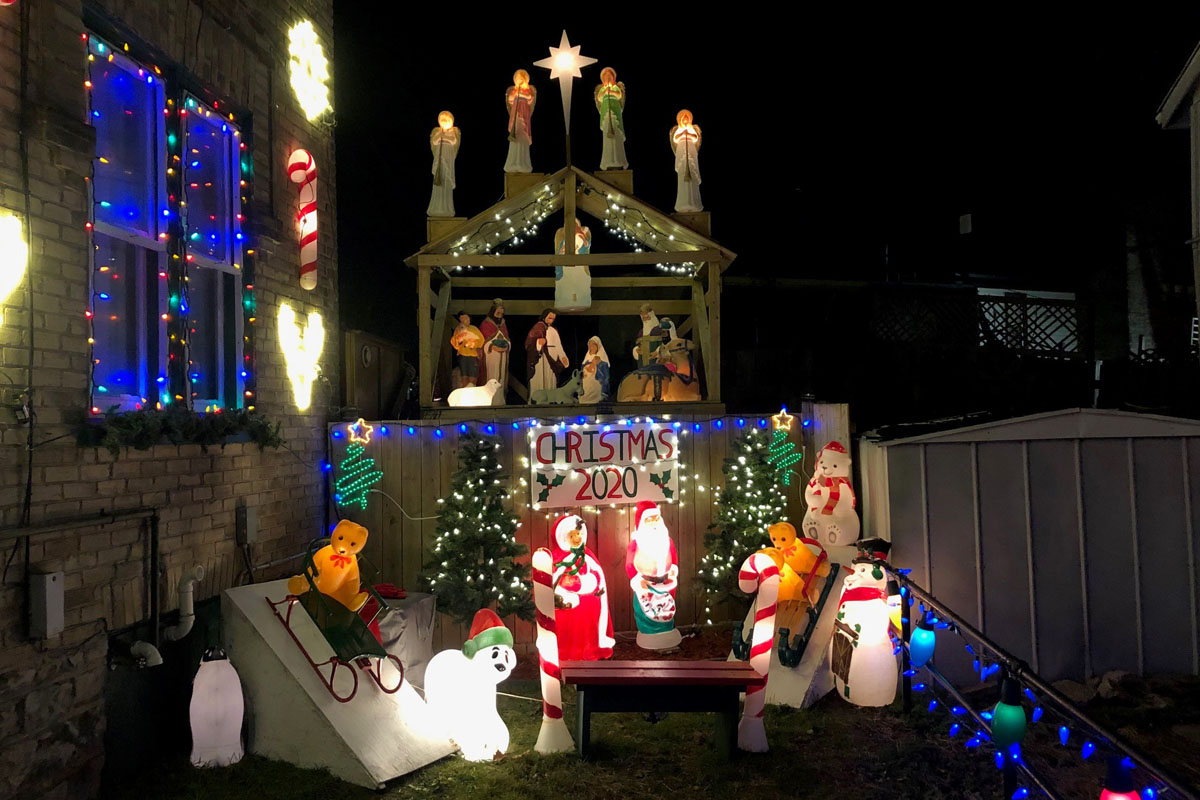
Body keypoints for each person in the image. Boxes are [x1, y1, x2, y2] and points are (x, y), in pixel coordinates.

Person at [550, 514, 614, 661]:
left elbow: (598, 576)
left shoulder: (588, 556)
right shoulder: (557, 559)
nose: (577, 538)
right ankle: (568, 655)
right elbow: (558, 580)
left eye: (578, 534)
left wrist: (586, 582)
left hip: (591, 605)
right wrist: (573, 583)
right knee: (571, 632)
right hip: (569, 606)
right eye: (572, 535)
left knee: (589, 630)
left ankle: (591, 651)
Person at [525, 308, 568, 394]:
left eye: (553, 319)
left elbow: (558, 346)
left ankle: (550, 398)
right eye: (549, 318)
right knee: (540, 377)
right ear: (544, 317)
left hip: (552, 358)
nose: (551, 321)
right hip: (541, 357)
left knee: (550, 378)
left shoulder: (553, 331)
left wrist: (563, 356)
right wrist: (538, 343)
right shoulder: (537, 328)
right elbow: (529, 343)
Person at [554, 218, 592, 311]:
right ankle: (564, 302)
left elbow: (586, 246)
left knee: (581, 281)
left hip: (579, 266)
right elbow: (559, 250)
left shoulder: (582, 235)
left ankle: (581, 302)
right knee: (566, 283)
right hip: (566, 266)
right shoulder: (563, 238)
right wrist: (563, 250)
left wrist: (583, 235)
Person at [427, 111, 460, 217]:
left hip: (448, 155)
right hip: (440, 157)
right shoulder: (437, 131)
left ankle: (447, 207)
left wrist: (444, 136)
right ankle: (436, 207)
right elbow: (435, 141)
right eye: (443, 120)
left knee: (446, 179)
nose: (444, 122)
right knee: (439, 180)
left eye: (447, 120)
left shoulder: (453, 131)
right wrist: (441, 135)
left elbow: (453, 140)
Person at [594, 67, 628, 170]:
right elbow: (599, 97)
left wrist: (611, 91)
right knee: (607, 138)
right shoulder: (602, 89)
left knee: (616, 134)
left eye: (610, 76)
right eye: (606, 77)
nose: (608, 78)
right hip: (606, 114)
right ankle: (607, 161)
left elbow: (619, 95)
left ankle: (619, 160)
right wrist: (605, 91)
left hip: (614, 113)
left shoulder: (616, 87)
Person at [669, 109, 702, 213]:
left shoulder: (692, 129)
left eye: (687, 119)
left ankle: (694, 203)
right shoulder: (678, 129)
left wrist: (688, 133)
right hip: (682, 154)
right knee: (683, 178)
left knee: (692, 178)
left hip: (691, 153)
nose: (685, 121)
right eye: (684, 119)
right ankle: (683, 202)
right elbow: (675, 138)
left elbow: (695, 137)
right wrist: (683, 133)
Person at [504, 69, 536, 174]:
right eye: (517, 79)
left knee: (523, 135)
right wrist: (517, 94)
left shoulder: (528, 90)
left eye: (521, 78)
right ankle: (513, 162)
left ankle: (523, 163)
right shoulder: (513, 90)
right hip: (516, 114)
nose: (519, 80)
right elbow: (510, 98)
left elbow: (529, 97)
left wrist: (520, 94)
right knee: (516, 134)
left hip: (524, 114)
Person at [478, 299, 510, 405]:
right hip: (491, 357)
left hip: (502, 357)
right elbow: (483, 342)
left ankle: (500, 400)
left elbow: (507, 339)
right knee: (491, 378)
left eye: (501, 313)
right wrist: (492, 346)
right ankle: (489, 400)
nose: (500, 316)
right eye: (498, 313)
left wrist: (507, 346)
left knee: (501, 378)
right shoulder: (486, 324)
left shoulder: (503, 324)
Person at [449, 311, 484, 388]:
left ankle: (472, 390)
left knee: (473, 376)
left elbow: (481, 340)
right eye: (463, 319)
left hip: (473, 355)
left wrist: (475, 344)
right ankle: (464, 390)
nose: (465, 320)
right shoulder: (458, 330)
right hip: (463, 355)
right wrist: (459, 340)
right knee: (464, 375)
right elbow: (454, 342)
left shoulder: (474, 329)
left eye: (466, 318)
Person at [580, 336, 610, 404]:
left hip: (597, 386)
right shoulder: (586, 360)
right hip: (587, 387)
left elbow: (605, 377)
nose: (591, 347)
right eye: (590, 345)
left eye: (593, 345)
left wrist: (598, 364)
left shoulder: (602, 361)